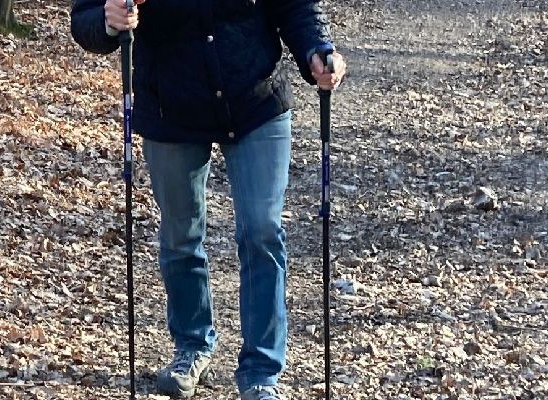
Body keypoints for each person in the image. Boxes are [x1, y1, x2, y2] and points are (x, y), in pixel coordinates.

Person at [69, 0, 346, 399]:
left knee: (262, 230)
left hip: (256, 99)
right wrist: (108, 21)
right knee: (181, 235)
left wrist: (318, 51)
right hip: (170, 107)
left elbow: (295, 6)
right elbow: (87, 18)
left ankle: (261, 374)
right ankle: (191, 346)